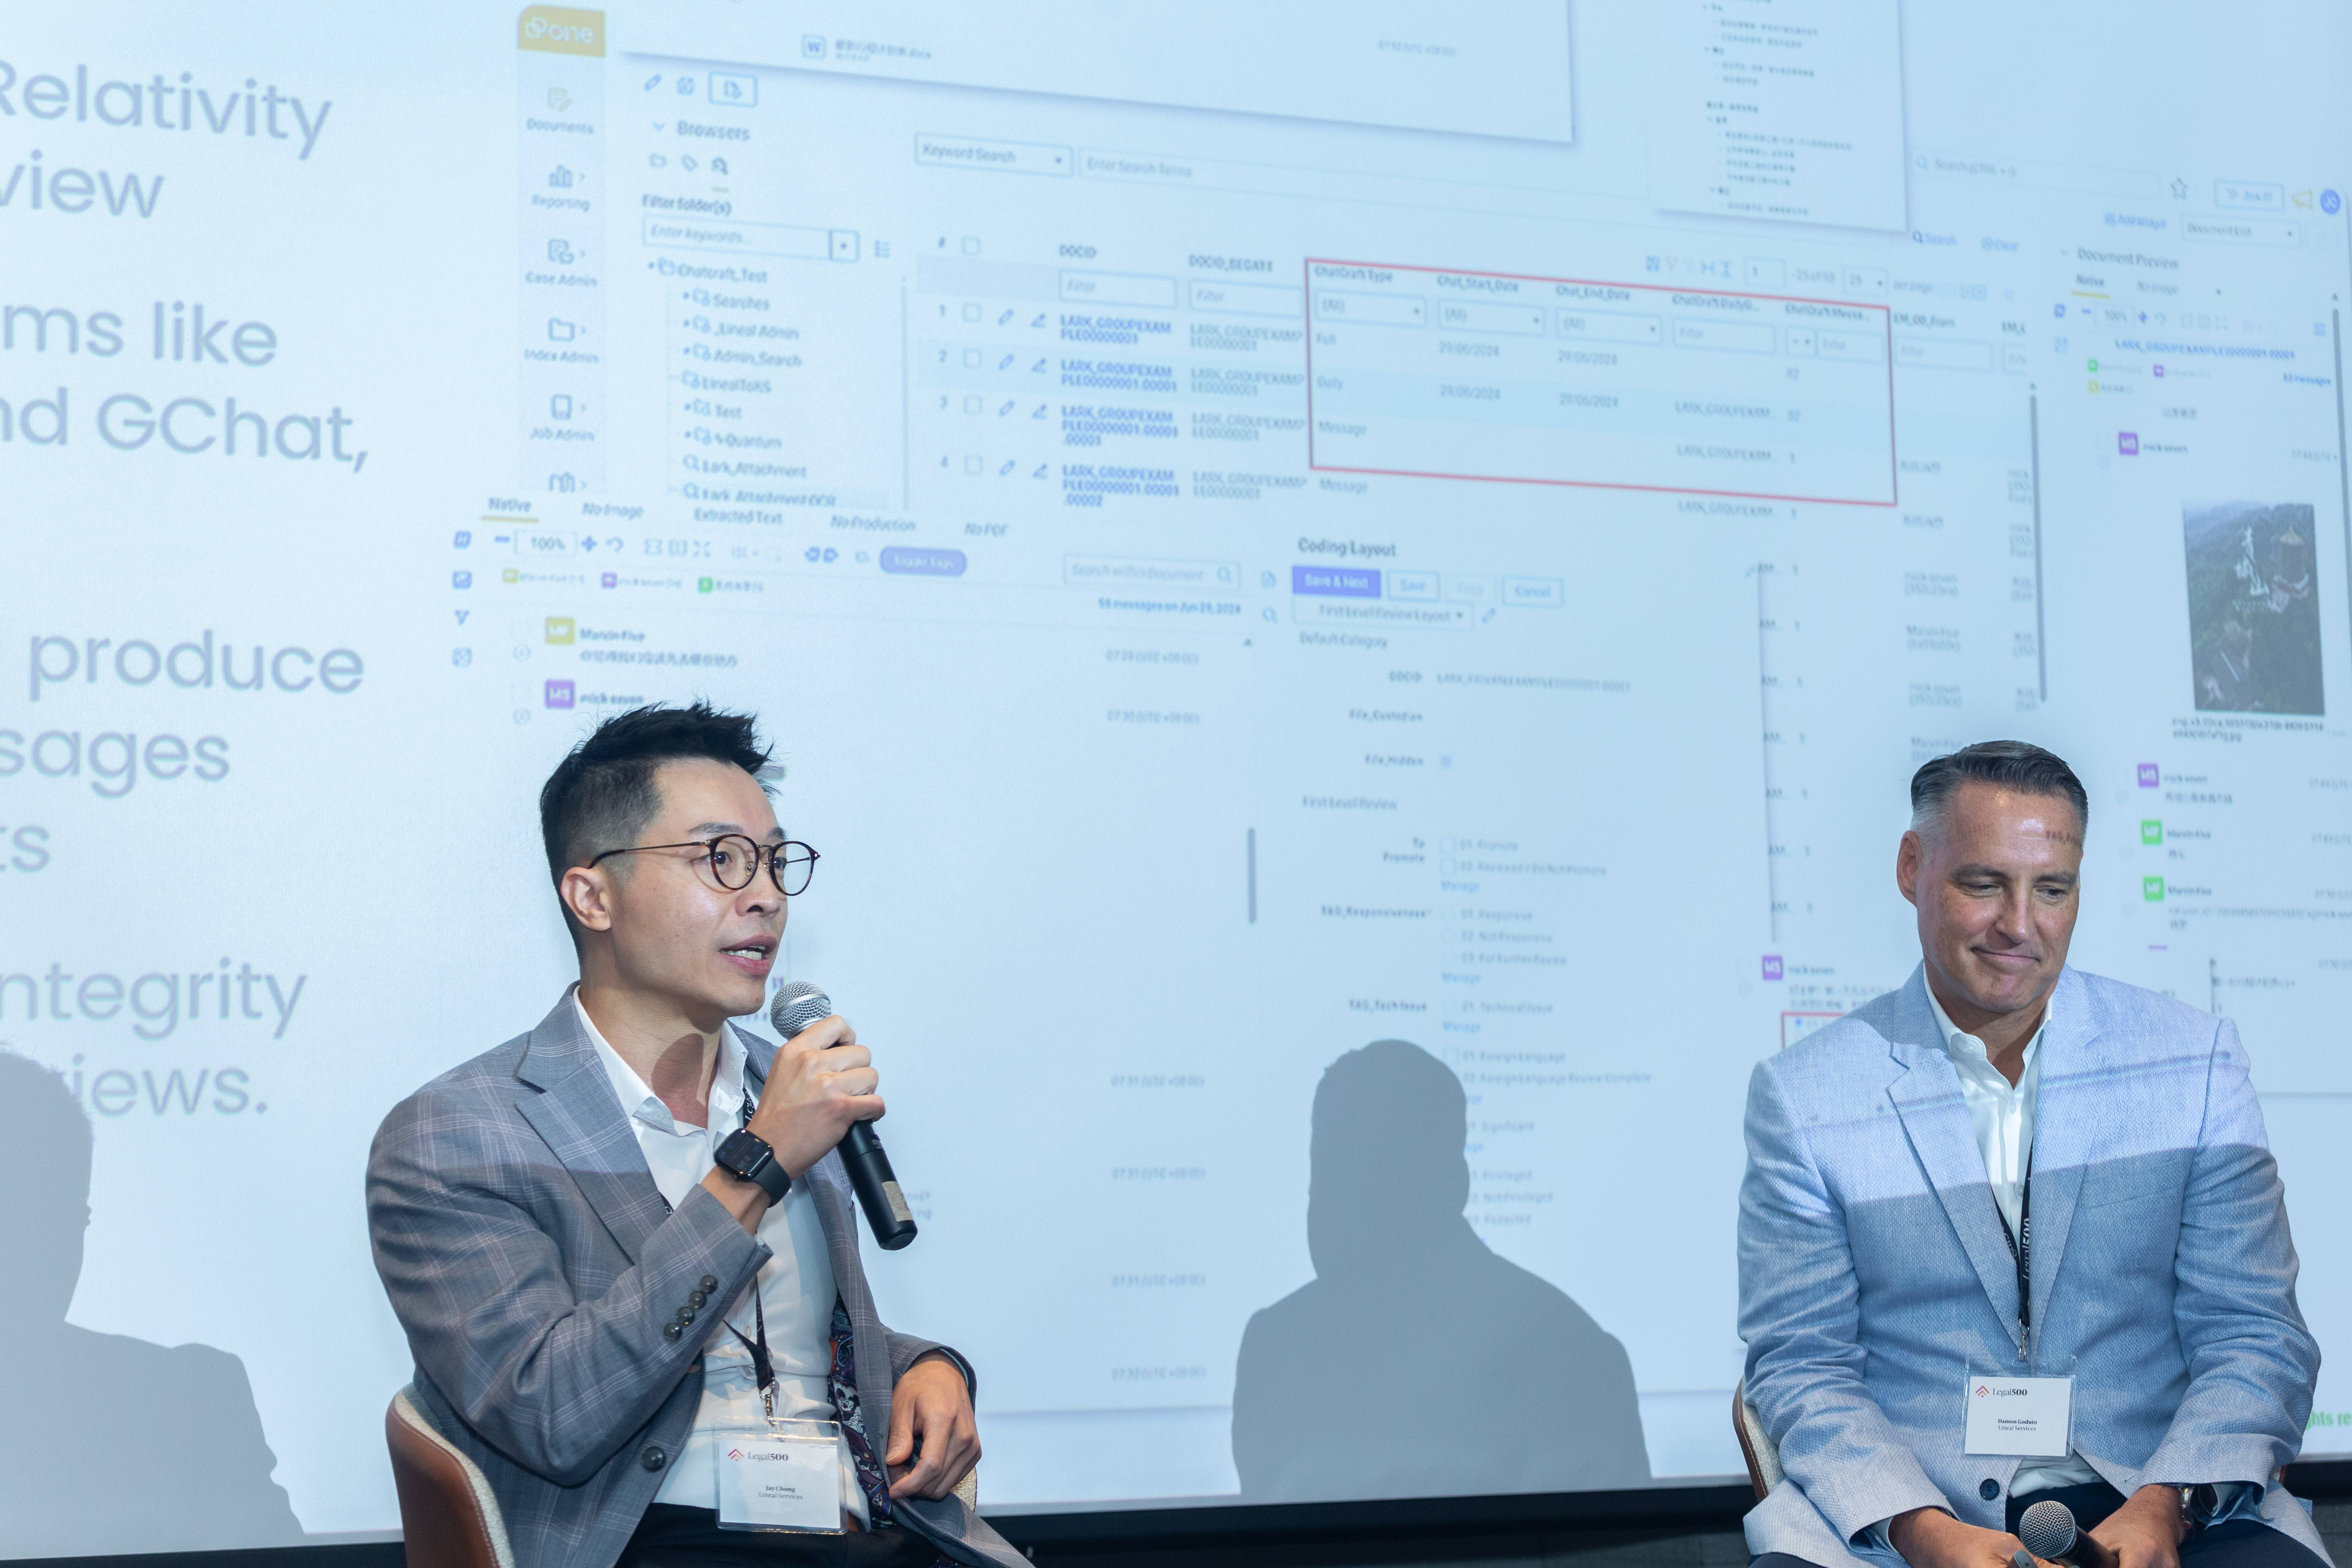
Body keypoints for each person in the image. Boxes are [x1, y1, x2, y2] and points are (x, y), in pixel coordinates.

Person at [367, 703, 1020, 1568]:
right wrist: (757, 1166)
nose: (766, 895)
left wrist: (925, 1366)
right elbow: (553, 1410)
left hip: (859, 1534)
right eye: (721, 859)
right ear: (593, 896)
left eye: (775, 861)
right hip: (657, 1542)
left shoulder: (785, 1086)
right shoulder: (461, 1134)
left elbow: (798, 1339)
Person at [1739, 741, 2325, 1568]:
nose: (2020, 925)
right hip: (1914, 1514)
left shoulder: (2192, 1063)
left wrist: (2166, 1507)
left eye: (2052, 889)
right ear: (1911, 867)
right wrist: (1924, 1533)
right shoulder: (1806, 1096)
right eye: (1984, 884)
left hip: (2159, 1497)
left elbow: (2255, 1333)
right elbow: (1804, 1365)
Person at [1232, 1039, 1650, 1500]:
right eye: (1328, 1180)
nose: (1339, 1213)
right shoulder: (1276, 1352)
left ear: (1455, 1186)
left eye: (1376, 1184)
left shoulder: (1573, 1361)